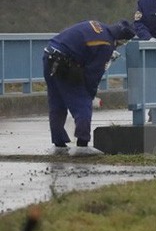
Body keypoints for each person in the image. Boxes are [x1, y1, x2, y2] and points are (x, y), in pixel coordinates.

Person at [43, 19, 136, 156]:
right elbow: (93, 73)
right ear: (121, 39)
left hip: (49, 55)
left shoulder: (98, 26)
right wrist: (90, 95)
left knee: (57, 102)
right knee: (82, 102)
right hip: (64, 63)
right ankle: (82, 145)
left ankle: (59, 145)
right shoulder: (106, 44)